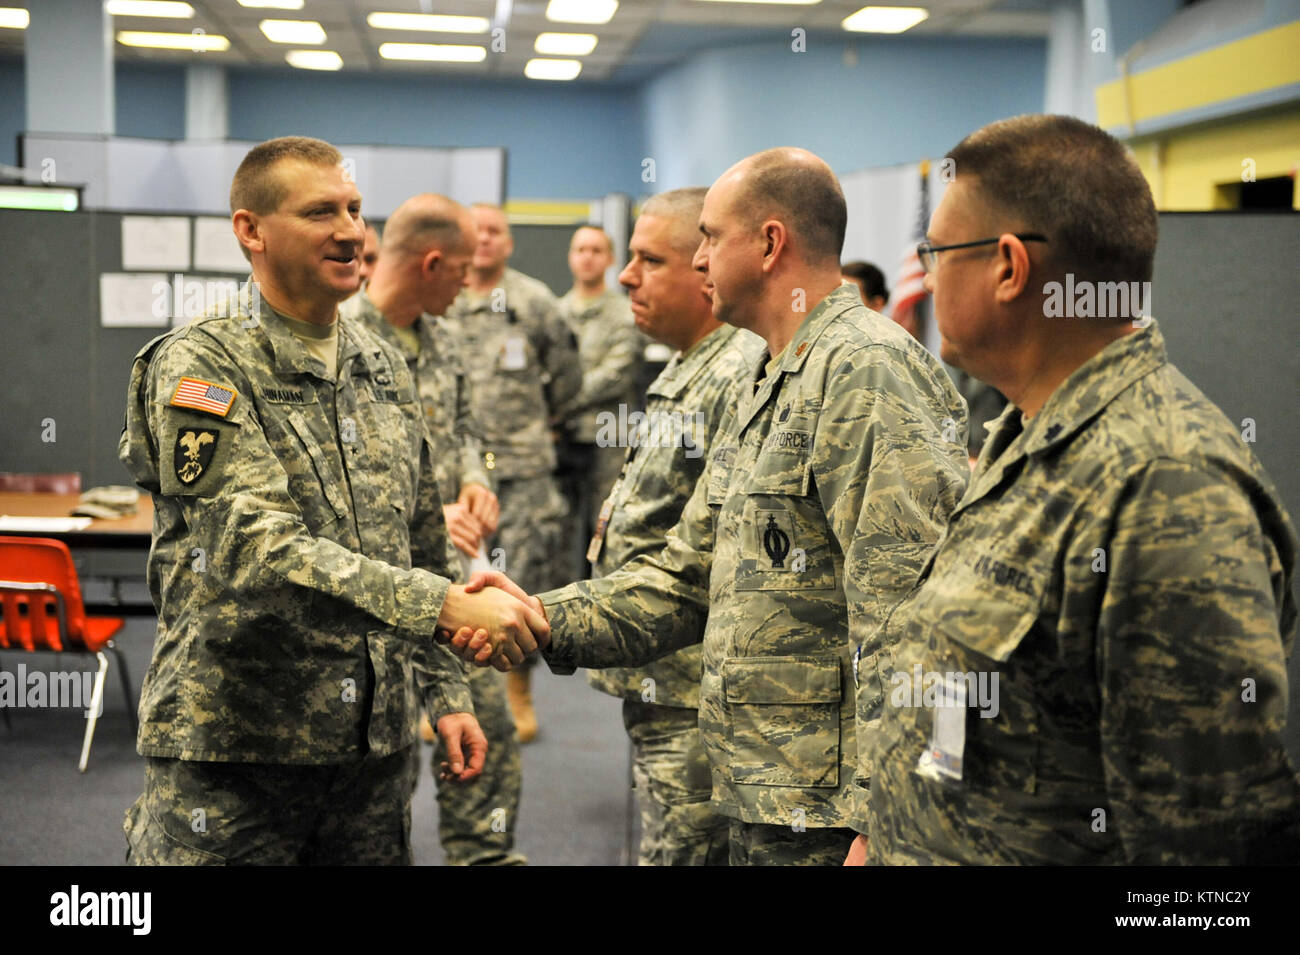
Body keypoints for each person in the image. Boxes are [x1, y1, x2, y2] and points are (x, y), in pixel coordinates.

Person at [453, 148, 970, 865]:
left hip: (831, 812)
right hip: (759, 787)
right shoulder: (769, 373)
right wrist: (543, 616)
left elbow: (916, 619)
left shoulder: (864, 369)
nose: (698, 260)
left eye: (709, 237)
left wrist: (892, 822)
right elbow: (685, 576)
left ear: (769, 243)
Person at [861, 114, 1300, 865]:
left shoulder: (1163, 483)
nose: (926, 276)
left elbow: (1205, 858)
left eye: (935, 252)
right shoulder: (1022, 434)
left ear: (1007, 266)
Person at [118, 136, 547, 865]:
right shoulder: (203, 364)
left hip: (370, 758)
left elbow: (423, 544)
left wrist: (446, 694)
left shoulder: (381, 362)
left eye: (354, 209)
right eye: (321, 212)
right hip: (239, 755)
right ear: (250, 230)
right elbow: (255, 551)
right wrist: (443, 608)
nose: (350, 230)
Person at [340, 192, 524, 866]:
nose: (471, 284)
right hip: (379, 584)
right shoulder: (345, 341)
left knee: (487, 728)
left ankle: (482, 855)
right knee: (380, 753)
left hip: (456, 578)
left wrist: (476, 477)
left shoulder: (439, 334)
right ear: (432, 261)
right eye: (464, 271)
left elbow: (468, 426)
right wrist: (422, 510)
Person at [584, 188, 764, 865]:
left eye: (647, 259)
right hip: (661, 676)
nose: (626, 276)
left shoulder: (738, 372)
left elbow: (711, 551)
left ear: (705, 267)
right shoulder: (692, 363)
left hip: (697, 693)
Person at [442, 203, 582, 743]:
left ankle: (517, 691)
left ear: (509, 242)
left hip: (519, 463)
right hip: (453, 467)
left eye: (495, 233)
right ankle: (448, 696)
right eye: (475, 233)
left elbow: (569, 375)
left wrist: (547, 421)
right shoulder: (443, 300)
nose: (483, 242)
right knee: (447, 579)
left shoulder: (534, 302)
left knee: (519, 577)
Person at [555, 224, 646, 581]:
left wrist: (562, 398)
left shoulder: (626, 313)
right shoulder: (555, 313)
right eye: (580, 250)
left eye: (596, 250)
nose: (587, 257)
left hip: (609, 439)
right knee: (559, 529)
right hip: (563, 441)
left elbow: (617, 373)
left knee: (605, 527)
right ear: (570, 258)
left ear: (609, 258)